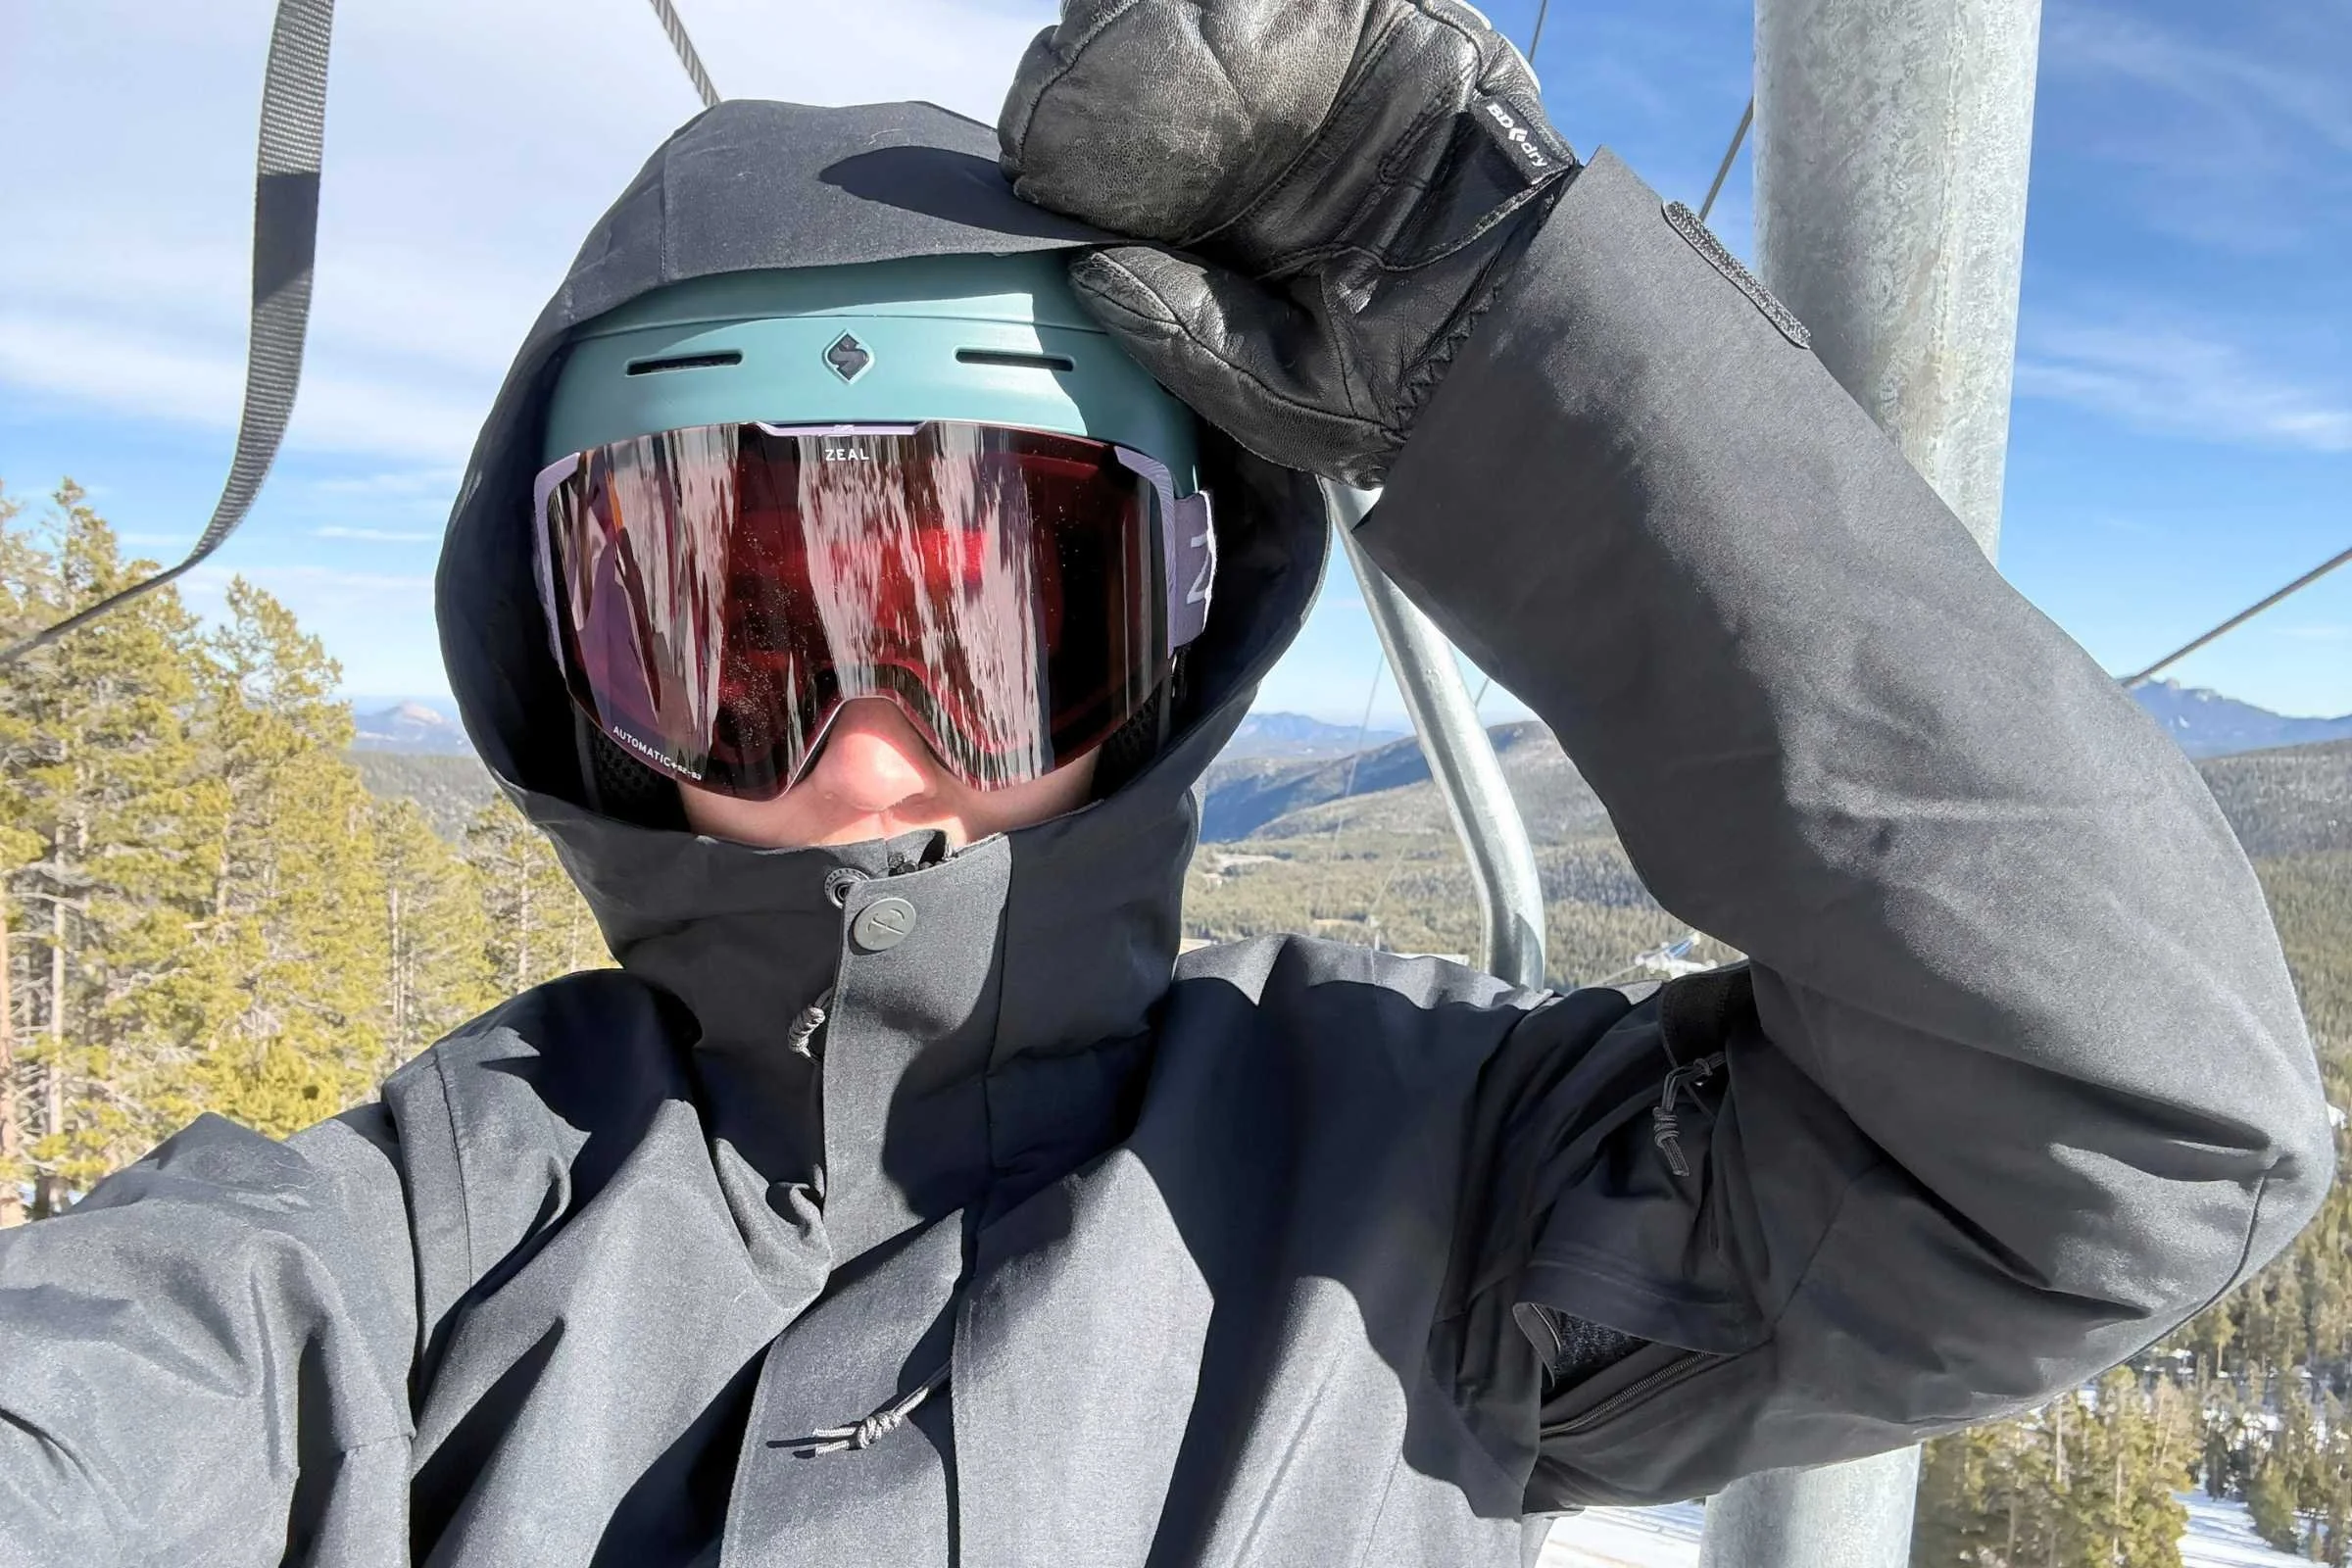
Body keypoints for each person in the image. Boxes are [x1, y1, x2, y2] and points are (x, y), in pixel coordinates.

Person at [0, 2, 2330, 1564]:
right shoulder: (409, 1239)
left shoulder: (1431, 1185)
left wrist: (1469, 275)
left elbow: (2127, 1124)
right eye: (730, 625)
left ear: (1180, 640)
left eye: (997, 615)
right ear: (578, 677)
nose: (872, 740)